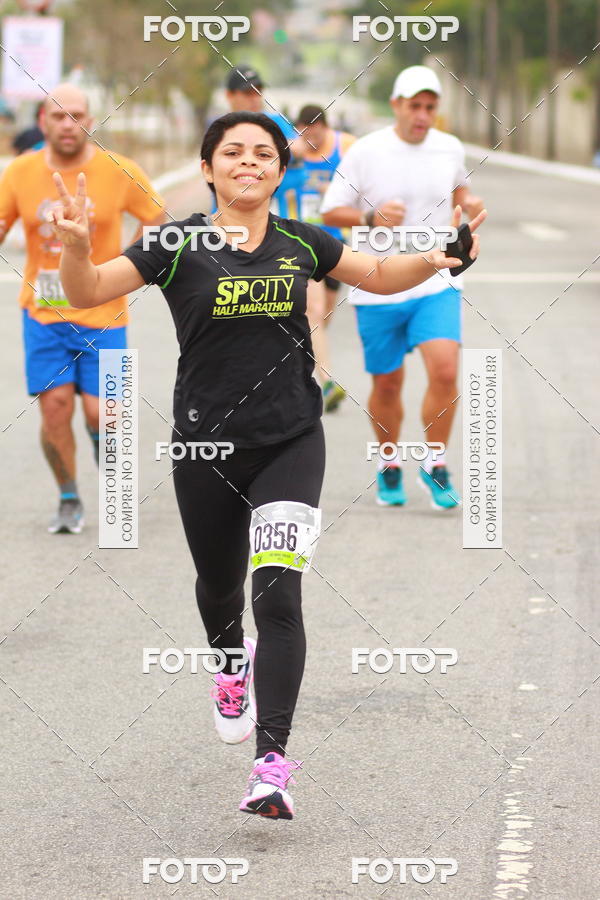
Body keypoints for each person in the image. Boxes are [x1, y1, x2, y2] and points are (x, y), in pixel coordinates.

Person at [50, 111, 484, 819]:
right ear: (208, 168)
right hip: (206, 446)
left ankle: (272, 764)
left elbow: (378, 274)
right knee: (219, 587)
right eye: (233, 152)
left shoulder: (304, 241)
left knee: (277, 595)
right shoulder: (174, 242)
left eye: (263, 153)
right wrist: (74, 248)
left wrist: (442, 257)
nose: (248, 162)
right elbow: (88, 289)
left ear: (281, 171)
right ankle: (229, 663)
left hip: (291, 439)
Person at [0, 83, 165, 533]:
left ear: (90, 121)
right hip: (44, 313)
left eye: (77, 115)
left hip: (105, 314)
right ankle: (69, 496)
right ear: (42, 122)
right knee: (54, 407)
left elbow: (157, 219)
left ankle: (103, 455)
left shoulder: (120, 169)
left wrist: (125, 266)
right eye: (58, 115)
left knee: (104, 414)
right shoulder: (20, 172)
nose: (68, 124)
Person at [321, 66, 485, 509]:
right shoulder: (366, 151)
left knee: (446, 371)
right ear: (396, 105)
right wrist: (370, 218)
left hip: (436, 280)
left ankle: (435, 463)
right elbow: (331, 212)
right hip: (377, 283)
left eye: (430, 107)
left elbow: (461, 193)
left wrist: (469, 204)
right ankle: (389, 461)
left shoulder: (449, 147)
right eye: (415, 106)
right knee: (388, 383)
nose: (423, 115)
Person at [294, 104, 355, 412]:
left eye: (315, 130)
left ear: (325, 128)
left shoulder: (345, 146)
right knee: (314, 309)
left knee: (324, 314)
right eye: (304, 131)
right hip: (301, 243)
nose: (310, 136)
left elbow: (364, 184)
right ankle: (327, 383)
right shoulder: (291, 152)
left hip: (334, 243)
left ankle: (302, 363)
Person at [224, 64, 305, 219]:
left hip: (282, 218)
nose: (255, 98)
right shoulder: (221, 129)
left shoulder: (276, 121)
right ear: (230, 95)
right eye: (248, 93)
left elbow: (300, 147)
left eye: (258, 91)